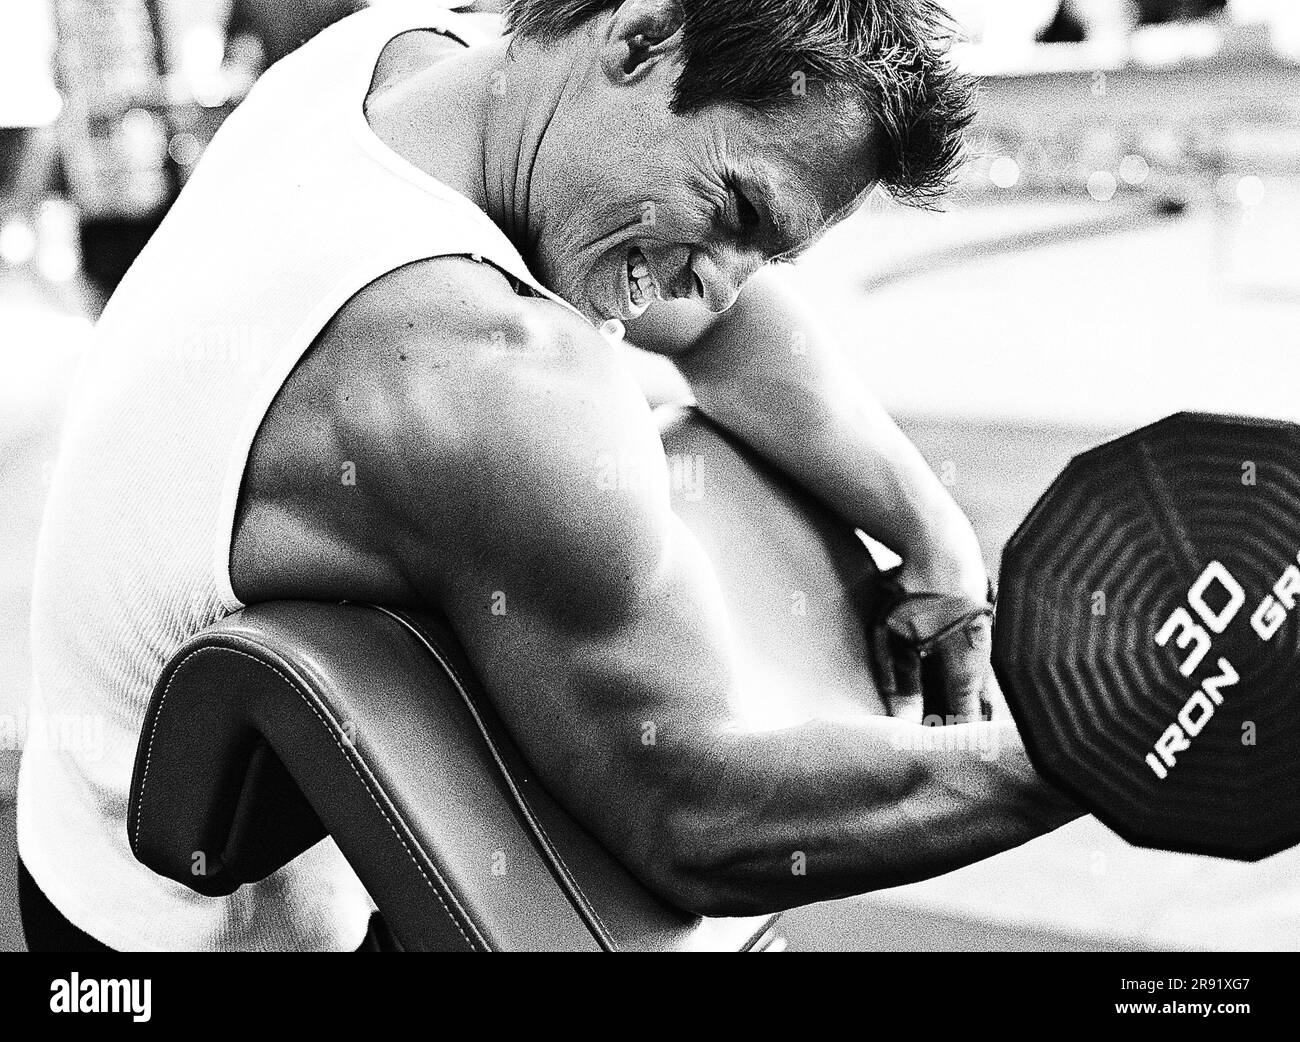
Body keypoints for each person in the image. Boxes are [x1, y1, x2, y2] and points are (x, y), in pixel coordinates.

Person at [18, 0, 1080, 952]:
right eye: (737, 210)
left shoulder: (418, 57)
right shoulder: (484, 376)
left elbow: (726, 326)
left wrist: (934, 537)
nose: (718, 280)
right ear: (641, 39)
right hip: (175, 930)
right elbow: (701, 819)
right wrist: (1095, 747)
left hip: (97, 822)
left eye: (770, 249)